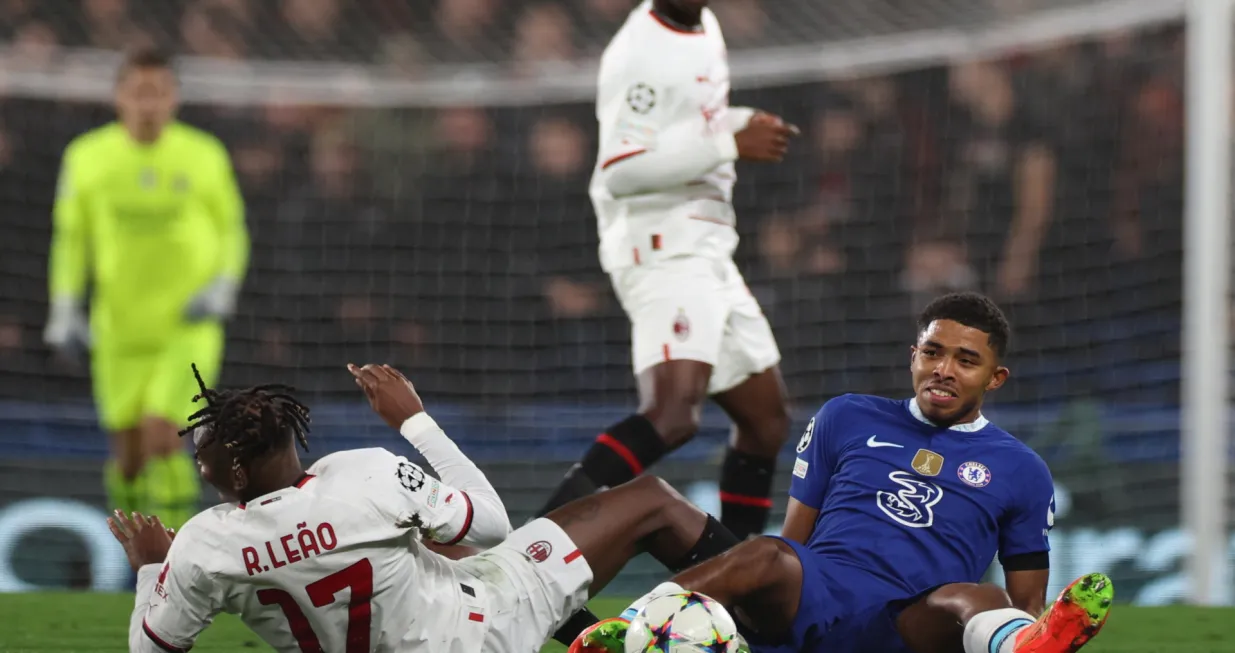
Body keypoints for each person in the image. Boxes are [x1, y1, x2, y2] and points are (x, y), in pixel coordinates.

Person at [573, 293, 1113, 653]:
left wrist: (1021, 628)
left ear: (995, 378)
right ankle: (633, 631)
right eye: (933, 352)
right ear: (914, 356)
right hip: (821, 594)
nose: (944, 369)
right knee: (761, 551)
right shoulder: (847, 415)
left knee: (982, 600)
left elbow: (1026, 602)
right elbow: (795, 540)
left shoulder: (1023, 469)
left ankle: (1031, 648)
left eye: (966, 361)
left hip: (911, 619)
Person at [109, 363, 740, 653]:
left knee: (439, 550)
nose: (199, 462)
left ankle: (590, 642)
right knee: (654, 501)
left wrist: (152, 567)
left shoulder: (203, 545)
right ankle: (766, 609)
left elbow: (154, 646)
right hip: (481, 628)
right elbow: (493, 522)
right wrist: (415, 421)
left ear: (237, 471)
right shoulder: (366, 476)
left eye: (204, 454)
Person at [539, 0, 798, 542]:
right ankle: (529, 555)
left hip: (707, 246)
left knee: (765, 420)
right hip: (660, 248)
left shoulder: (706, 27)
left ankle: (733, 582)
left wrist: (738, 122)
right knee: (672, 413)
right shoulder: (639, 52)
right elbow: (621, 170)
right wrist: (728, 142)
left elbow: (688, 125)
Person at [45, 46, 249, 530]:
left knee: (163, 433)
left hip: (186, 325)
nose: (148, 104)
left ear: (173, 98)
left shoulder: (203, 154)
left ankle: (177, 548)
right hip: (118, 328)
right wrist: (64, 307)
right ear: (119, 97)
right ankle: (132, 546)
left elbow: (231, 229)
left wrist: (223, 285)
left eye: (158, 93)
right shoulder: (87, 157)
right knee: (130, 456)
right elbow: (71, 238)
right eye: (139, 93)